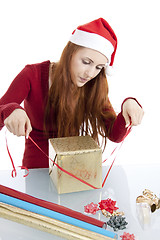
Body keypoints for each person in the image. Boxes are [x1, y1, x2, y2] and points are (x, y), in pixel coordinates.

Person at [0, 18, 144, 169]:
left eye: (99, 67)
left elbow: (115, 134)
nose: (90, 73)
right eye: (86, 62)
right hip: (36, 172)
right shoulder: (32, 74)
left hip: (74, 172)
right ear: (70, 53)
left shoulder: (93, 86)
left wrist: (129, 104)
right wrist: (11, 109)